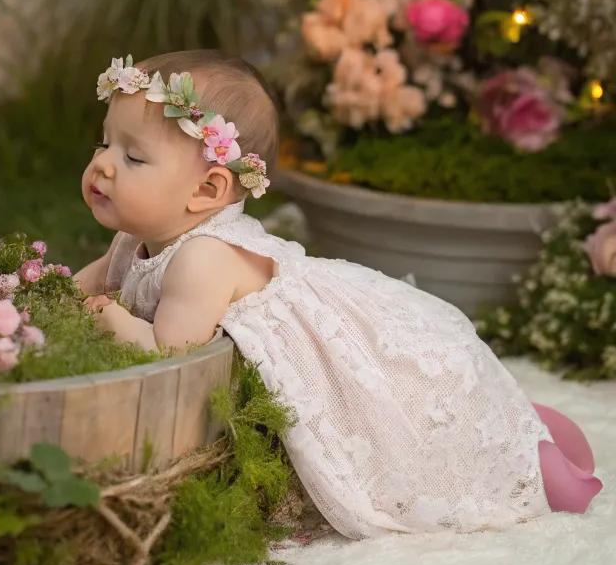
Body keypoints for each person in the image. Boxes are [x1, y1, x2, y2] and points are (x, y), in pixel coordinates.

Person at [74, 51, 603, 539]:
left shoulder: (203, 256)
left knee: (411, 434)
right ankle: (523, 425)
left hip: (349, 359)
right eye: (104, 143)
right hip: (321, 353)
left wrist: (114, 322)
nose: (103, 165)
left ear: (207, 190)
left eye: (133, 158)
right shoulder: (135, 241)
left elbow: (175, 356)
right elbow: (84, 284)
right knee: (435, 419)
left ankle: (541, 465)